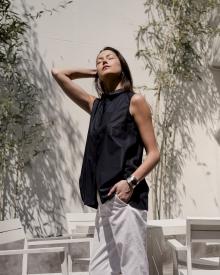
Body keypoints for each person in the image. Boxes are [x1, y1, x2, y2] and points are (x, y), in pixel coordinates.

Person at [51, 46, 160, 275]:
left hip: (126, 198)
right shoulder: (96, 106)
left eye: (110, 57)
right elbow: (58, 73)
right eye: (99, 59)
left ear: (123, 66)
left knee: (134, 268)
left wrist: (130, 183)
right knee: (99, 270)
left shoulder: (135, 101)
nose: (104, 61)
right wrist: (95, 72)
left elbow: (154, 153)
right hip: (104, 200)